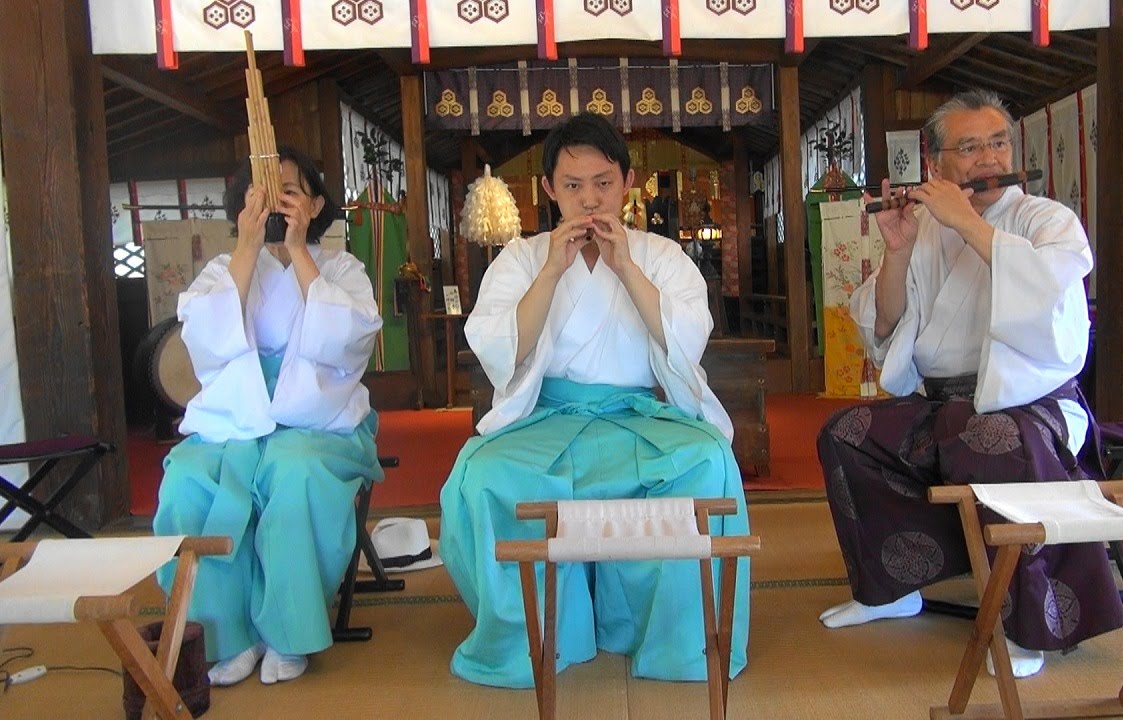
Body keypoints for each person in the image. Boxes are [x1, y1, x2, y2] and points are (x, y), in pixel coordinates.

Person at [815, 90, 1123, 678]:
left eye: (998, 143)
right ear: (935, 164)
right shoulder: (926, 224)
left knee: (992, 440)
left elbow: (1048, 296)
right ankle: (892, 588)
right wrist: (899, 250)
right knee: (847, 433)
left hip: (1029, 404)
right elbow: (884, 326)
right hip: (946, 402)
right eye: (969, 146)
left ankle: (1029, 620)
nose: (988, 157)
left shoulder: (1045, 219)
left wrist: (964, 220)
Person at [440, 112, 750, 689]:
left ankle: (672, 640)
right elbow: (502, 349)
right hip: (548, 417)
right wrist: (553, 272)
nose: (589, 200)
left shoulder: (660, 255)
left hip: (637, 418)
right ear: (550, 189)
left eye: (603, 183)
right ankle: (538, 640)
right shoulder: (523, 257)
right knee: (483, 477)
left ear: (628, 184)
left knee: (708, 463)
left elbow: (684, 342)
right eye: (573, 186)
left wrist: (625, 267)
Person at [153, 146, 383, 686]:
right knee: (187, 480)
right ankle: (221, 633)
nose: (276, 204)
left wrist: (299, 250)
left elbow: (348, 339)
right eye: (264, 193)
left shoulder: (341, 267)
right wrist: (248, 248)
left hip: (318, 420)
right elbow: (205, 341)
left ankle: (287, 628)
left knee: (296, 470)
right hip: (235, 417)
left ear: (316, 203)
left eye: (290, 193)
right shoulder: (225, 268)